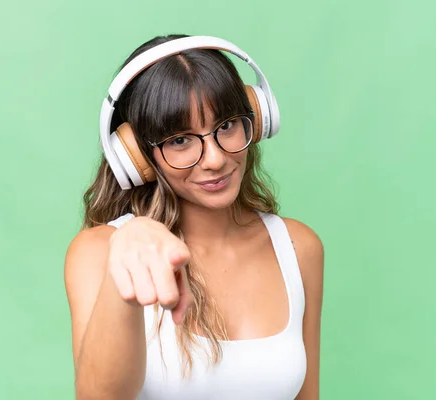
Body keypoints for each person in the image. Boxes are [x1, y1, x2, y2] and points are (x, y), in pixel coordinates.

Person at [64, 34, 325, 400]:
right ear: (138, 157)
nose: (215, 159)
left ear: (256, 119)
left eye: (227, 126)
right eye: (179, 140)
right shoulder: (100, 252)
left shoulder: (299, 248)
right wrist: (127, 251)